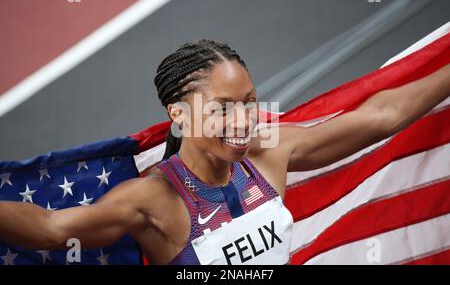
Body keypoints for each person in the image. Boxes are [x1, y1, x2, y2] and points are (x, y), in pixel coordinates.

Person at [0, 39, 449, 265]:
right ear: (179, 113)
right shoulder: (155, 200)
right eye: (222, 109)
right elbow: (52, 230)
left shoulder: (268, 152)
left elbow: (384, 116)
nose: (242, 122)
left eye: (250, 102)